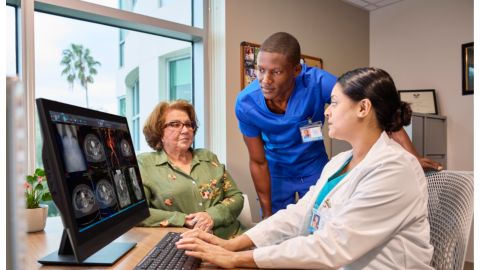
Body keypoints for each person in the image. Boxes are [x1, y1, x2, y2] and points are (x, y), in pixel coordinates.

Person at [177, 67, 434, 269]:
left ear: (363, 108)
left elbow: (333, 246)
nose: (327, 112)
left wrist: (238, 259)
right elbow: (300, 214)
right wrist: (233, 245)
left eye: (334, 103)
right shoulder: (339, 162)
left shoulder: (394, 169)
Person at [235, 32, 442, 217]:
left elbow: (373, 105)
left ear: (296, 69)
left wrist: (412, 157)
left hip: (314, 165)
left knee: (321, 223)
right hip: (276, 170)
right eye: (261, 70)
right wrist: (267, 212)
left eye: (276, 72)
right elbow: (258, 161)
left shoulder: (317, 81)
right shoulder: (246, 103)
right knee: (276, 230)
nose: (265, 80)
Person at [137, 100, 245, 239]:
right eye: (175, 124)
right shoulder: (145, 164)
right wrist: (183, 219)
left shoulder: (208, 157)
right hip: (186, 246)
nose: (186, 130)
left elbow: (236, 197)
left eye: (189, 124)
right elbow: (137, 214)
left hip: (234, 238)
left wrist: (211, 216)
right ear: (159, 131)